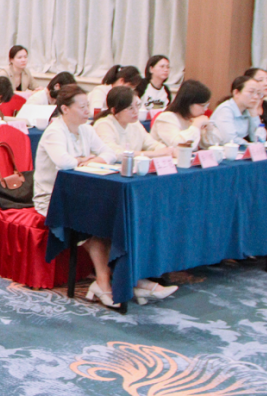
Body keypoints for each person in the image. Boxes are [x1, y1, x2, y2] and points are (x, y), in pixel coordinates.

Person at [32, 85, 170, 308]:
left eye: (88, 105)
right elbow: (64, 162)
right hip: (54, 199)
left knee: (115, 219)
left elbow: (109, 154)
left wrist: (89, 160)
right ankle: (110, 282)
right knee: (97, 223)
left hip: (84, 195)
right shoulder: (54, 131)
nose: (88, 111)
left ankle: (129, 280)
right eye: (82, 107)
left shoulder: (86, 129)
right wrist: (83, 159)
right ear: (65, 109)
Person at [92, 87, 172, 157]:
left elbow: (152, 144)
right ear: (114, 110)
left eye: (137, 105)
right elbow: (114, 153)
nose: (136, 111)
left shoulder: (135, 124)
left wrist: (165, 150)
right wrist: (152, 154)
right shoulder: (104, 125)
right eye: (130, 108)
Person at [150, 79, 219, 149]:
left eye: (207, 105)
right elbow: (181, 147)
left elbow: (212, 145)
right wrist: (196, 125)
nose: (205, 109)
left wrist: (209, 128)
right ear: (188, 103)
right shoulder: (166, 118)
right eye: (202, 105)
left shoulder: (193, 118)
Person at [210, 75, 267, 146]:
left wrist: (253, 113)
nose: (256, 97)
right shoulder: (225, 109)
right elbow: (230, 140)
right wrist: (252, 146)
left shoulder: (247, 110)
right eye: (251, 92)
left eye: (258, 93)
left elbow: (257, 138)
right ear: (236, 93)